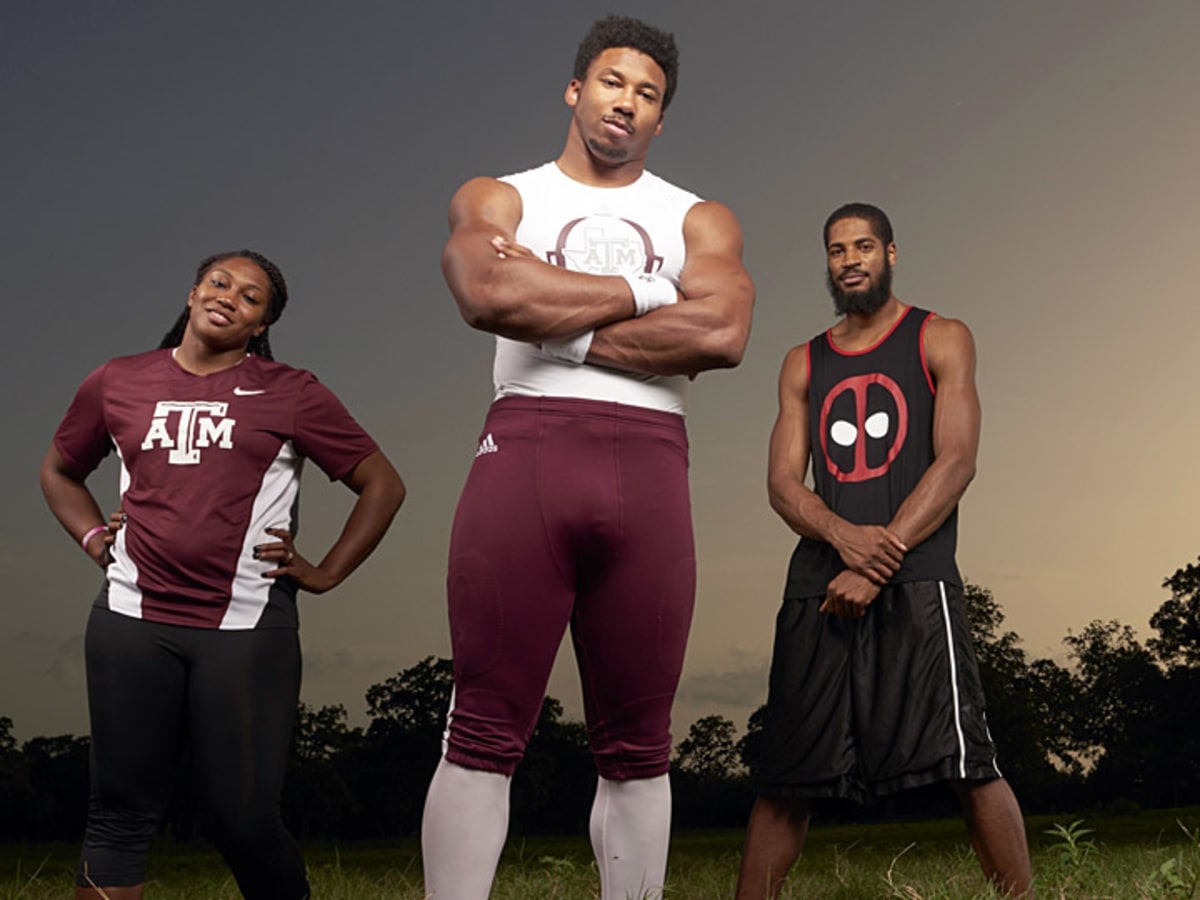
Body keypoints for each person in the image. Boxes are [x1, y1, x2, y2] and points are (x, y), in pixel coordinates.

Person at [420, 14, 754, 900]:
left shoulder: (697, 214)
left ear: (660, 118)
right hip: (525, 456)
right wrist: (651, 293)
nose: (628, 103)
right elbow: (488, 289)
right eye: (613, 82)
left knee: (642, 745)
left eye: (649, 95)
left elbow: (721, 330)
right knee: (483, 732)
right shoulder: (503, 197)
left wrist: (552, 317)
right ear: (576, 89)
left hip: (650, 474)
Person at [40, 250, 406, 900]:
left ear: (261, 324)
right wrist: (95, 537)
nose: (229, 297)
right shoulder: (116, 381)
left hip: (246, 629)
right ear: (191, 293)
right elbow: (60, 470)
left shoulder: (292, 391)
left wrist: (323, 573)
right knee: (119, 813)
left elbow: (382, 484)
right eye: (219, 282)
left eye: (251, 296)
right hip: (130, 621)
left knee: (240, 817)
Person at [735, 204, 1032, 898]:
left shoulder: (941, 337)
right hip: (818, 584)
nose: (850, 260)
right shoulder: (803, 361)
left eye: (864, 246)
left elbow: (957, 461)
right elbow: (783, 484)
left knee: (968, 763)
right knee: (786, 779)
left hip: (917, 576)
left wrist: (881, 558)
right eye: (837, 250)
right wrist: (842, 540)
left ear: (891, 253)